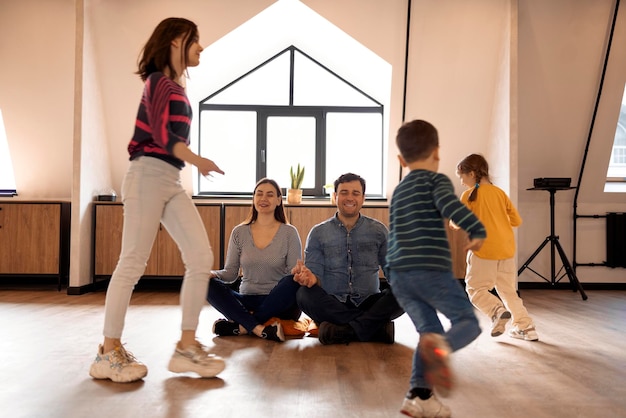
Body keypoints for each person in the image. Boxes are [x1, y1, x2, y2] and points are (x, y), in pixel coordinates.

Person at [89, 17, 225, 383]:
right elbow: (164, 137)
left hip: (169, 177)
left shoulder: (177, 87)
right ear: (176, 40)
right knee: (132, 262)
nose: (200, 47)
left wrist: (188, 163)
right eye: (194, 41)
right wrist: (198, 160)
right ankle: (108, 351)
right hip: (147, 173)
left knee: (200, 257)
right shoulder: (157, 82)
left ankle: (185, 347)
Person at [386, 120, 486, 418]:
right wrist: (476, 229)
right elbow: (451, 207)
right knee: (467, 322)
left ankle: (419, 396)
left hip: (398, 275)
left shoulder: (399, 190)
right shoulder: (437, 181)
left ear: (401, 160)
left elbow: (396, 233)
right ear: (438, 152)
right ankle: (442, 348)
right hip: (430, 269)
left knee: (428, 332)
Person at [292, 173, 404, 345]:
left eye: (355, 193)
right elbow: (314, 279)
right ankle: (374, 328)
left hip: (369, 302)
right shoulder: (318, 233)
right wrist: (310, 278)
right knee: (303, 294)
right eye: (344, 192)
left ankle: (343, 330)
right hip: (333, 303)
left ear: (363, 198)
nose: (349, 197)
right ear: (335, 196)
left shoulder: (379, 231)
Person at [208, 178, 303, 342]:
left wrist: (298, 274)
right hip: (246, 300)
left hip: (279, 302)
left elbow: (291, 274)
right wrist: (212, 274)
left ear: (279, 200)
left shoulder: (289, 232)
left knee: (292, 281)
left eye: (270, 195)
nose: (263, 198)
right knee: (205, 283)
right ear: (253, 198)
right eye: (259, 194)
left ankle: (243, 326)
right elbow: (230, 274)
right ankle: (260, 328)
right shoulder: (239, 232)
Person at [456, 153, 539, 341]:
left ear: (471, 174)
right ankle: (525, 327)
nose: (461, 182)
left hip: (484, 249)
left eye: (461, 177)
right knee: (508, 291)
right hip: (506, 249)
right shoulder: (500, 193)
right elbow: (516, 220)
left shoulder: (468, 195)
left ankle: (497, 311)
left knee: (475, 289)